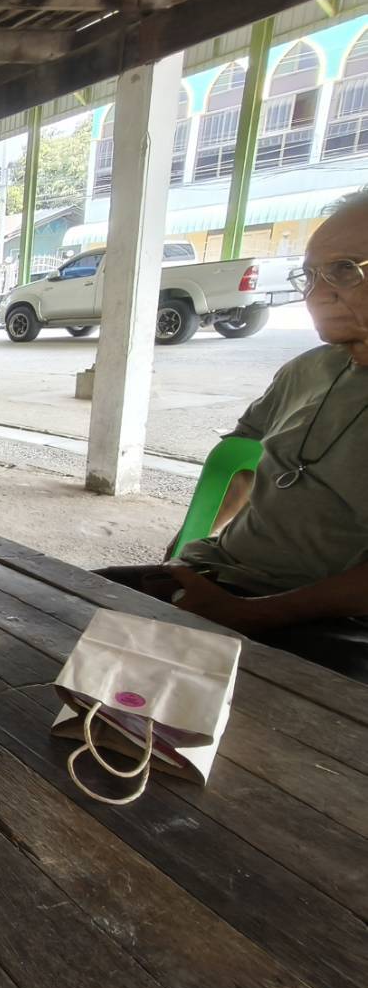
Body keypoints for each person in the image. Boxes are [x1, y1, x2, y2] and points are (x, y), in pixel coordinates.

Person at [97, 191, 368, 678]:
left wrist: (246, 616)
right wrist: (183, 553)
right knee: (53, 602)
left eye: (345, 270)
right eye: (309, 274)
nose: (317, 292)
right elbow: (239, 467)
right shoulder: (308, 371)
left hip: (333, 622)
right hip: (226, 576)